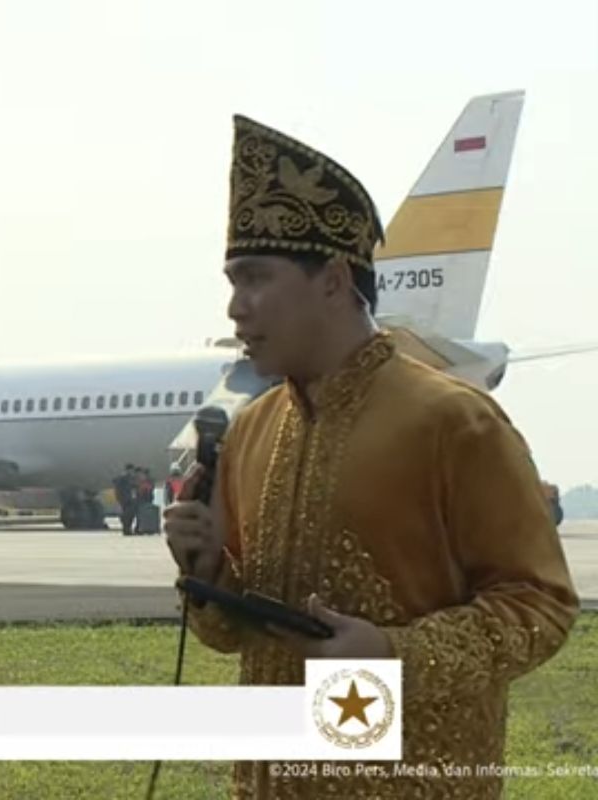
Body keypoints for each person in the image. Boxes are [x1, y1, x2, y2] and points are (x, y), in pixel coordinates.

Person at [164, 115, 579, 798]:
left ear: (332, 280)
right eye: (232, 282)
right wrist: (210, 572)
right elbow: (237, 636)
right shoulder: (253, 429)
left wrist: (392, 654)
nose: (236, 309)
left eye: (256, 278)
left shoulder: (455, 421)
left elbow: (539, 605)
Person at [113, 464, 136, 536]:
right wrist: (119, 498)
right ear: (128, 470)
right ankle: (126, 529)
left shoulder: (130, 478)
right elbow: (118, 489)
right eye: (131, 470)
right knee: (126, 515)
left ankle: (128, 529)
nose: (132, 472)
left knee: (130, 515)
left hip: (129, 498)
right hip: (124, 499)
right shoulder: (122, 478)